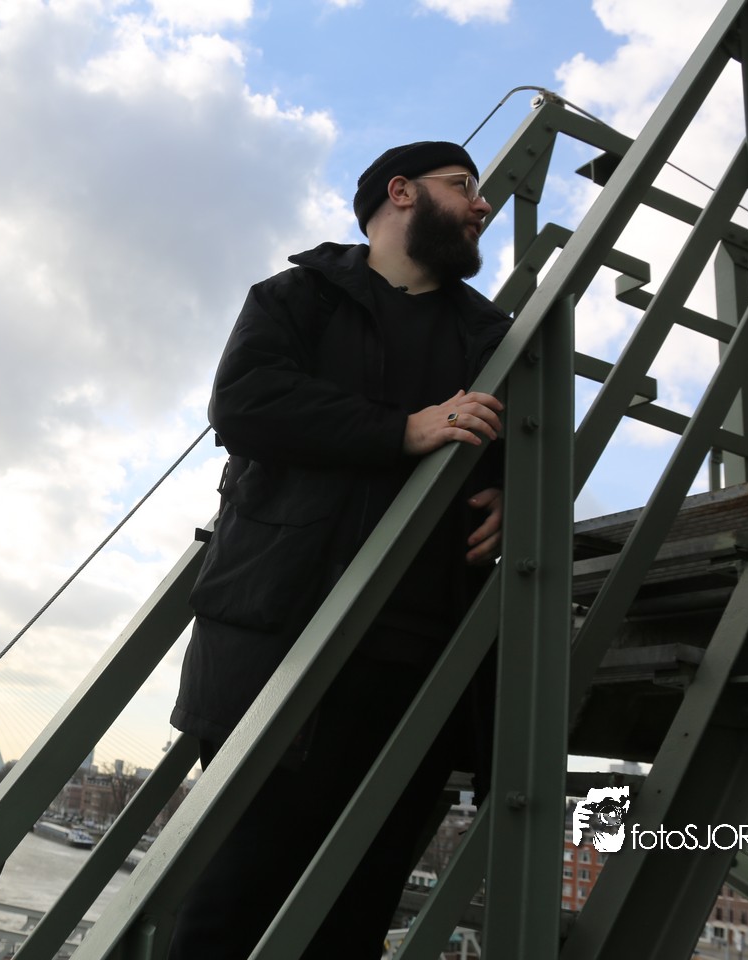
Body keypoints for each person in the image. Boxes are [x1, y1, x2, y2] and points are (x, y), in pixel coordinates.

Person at [168, 141, 512, 959]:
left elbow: (518, 442)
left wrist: (515, 492)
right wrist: (401, 430)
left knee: (353, 921)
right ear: (401, 192)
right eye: (463, 186)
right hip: (278, 649)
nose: (483, 205)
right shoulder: (297, 298)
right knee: (232, 907)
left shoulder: (493, 335)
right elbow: (244, 403)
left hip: (419, 665)